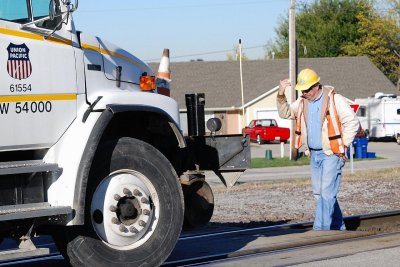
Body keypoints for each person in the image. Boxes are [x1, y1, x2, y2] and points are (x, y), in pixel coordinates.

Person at [276, 68, 359, 231]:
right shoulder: (302, 103)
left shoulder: (335, 100)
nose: (303, 93)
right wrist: (280, 94)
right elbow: (285, 113)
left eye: (306, 90)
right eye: (302, 90)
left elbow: (352, 123)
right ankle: (338, 226)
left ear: (316, 86)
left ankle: (321, 230)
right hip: (314, 154)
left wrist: (342, 146)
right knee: (319, 194)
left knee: (327, 194)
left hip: (332, 154)